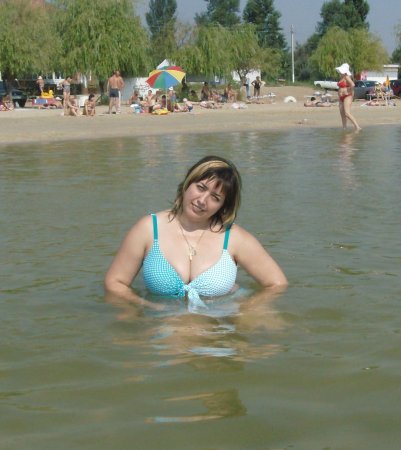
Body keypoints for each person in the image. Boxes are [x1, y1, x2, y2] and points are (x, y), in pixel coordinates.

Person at [104, 155, 288, 313]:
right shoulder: (149, 229)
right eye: (200, 187)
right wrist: (144, 306)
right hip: (162, 330)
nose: (202, 200)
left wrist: (247, 309)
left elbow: (277, 284)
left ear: (223, 206)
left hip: (221, 330)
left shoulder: (234, 238)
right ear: (187, 183)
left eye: (215, 198)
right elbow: (115, 282)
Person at [335, 63, 361, 131]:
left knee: (347, 113)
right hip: (341, 97)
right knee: (342, 114)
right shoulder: (341, 77)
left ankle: (357, 127)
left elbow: (353, 85)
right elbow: (340, 87)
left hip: (347, 96)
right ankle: (344, 128)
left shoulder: (346, 77)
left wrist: (347, 90)